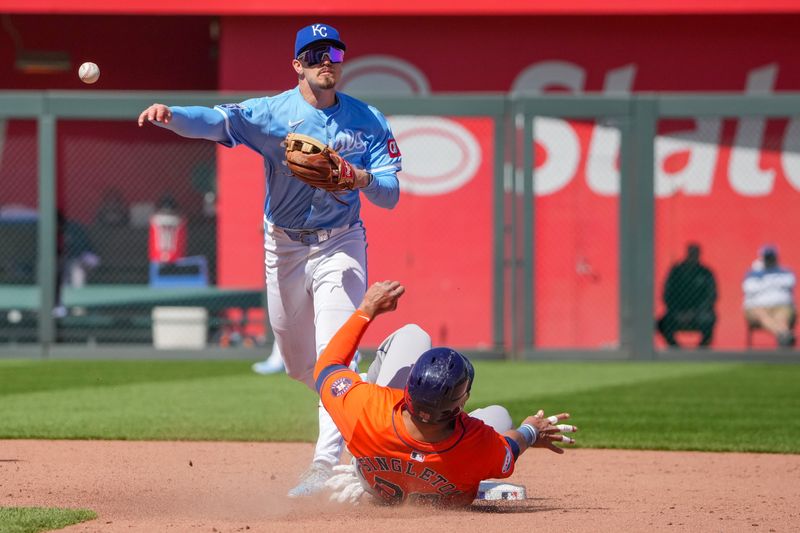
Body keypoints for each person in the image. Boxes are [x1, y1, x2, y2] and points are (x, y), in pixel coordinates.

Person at [137, 23, 401, 497]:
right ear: (298, 64)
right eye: (315, 53)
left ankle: (324, 465)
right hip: (283, 245)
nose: (327, 60)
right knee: (301, 366)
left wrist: (359, 178)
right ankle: (363, 392)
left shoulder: (369, 120)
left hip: (341, 242)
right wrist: (172, 115)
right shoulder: (272, 113)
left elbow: (391, 194)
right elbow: (216, 121)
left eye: (334, 52)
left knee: (332, 358)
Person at [314, 280, 577, 506]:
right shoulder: (481, 444)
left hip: (373, 477)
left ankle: (366, 450)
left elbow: (327, 366)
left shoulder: (365, 407)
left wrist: (367, 309)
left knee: (413, 335)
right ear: (459, 405)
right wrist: (531, 431)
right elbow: (511, 447)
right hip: (445, 480)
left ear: (408, 389)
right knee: (499, 414)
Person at [656, 243, 717, 348]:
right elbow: (667, 294)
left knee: (709, 319)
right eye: (691, 253)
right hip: (677, 312)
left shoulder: (705, 273)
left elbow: (711, 296)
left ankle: (702, 349)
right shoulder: (676, 272)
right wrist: (677, 311)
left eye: (695, 254)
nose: (693, 256)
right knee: (661, 323)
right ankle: (675, 348)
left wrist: (694, 312)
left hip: (699, 313)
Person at [743, 245, 796, 347]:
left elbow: (790, 282)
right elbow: (749, 288)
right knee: (761, 314)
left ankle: (783, 337)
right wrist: (758, 270)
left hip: (781, 306)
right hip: (758, 308)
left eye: (771, 257)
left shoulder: (784, 271)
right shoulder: (753, 273)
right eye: (767, 257)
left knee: (783, 315)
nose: (769, 260)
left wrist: (765, 282)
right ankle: (785, 335)